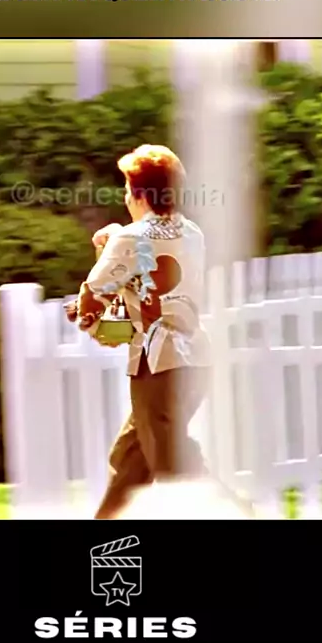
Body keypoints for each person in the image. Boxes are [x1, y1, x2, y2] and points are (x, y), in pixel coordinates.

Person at [65, 144, 212, 519]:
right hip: (196, 361)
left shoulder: (129, 239)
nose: (125, 197)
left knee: (174, 469)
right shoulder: (192, 233)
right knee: (131, 461)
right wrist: (117, 244)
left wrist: (90, 316)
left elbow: (94, 301)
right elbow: (150, 280)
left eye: (128, 189)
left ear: (142, 194)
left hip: (158, 369)